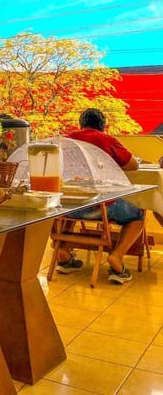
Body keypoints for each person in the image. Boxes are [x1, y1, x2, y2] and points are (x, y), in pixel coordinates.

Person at [56, 108, 143, 284]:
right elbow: (133, 166)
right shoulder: (106, 140)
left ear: (81, 124)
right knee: (137, 216)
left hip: (68, 207)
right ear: (102, 126)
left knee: (74, 202)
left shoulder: (64, 141)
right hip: (100, 205)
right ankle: (116, 257)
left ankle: (63, 251)